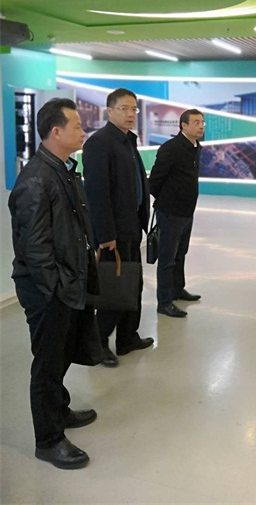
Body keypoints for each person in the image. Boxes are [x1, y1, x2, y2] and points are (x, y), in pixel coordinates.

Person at [9, 98, 99, 469]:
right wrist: (58, 288)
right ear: (56, 132)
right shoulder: (36, 180)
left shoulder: (62, 170)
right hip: (48, 290)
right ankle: (48, 440)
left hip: (66, 283)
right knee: (47, 365)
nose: (83, 131)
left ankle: (59, 410)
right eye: (77, 126)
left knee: (61, 354)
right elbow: (35, 249)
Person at [82, 88, 153, 367]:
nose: (130, 114)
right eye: (124, 108)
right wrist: (105, 234)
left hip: (131, 225)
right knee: (114, 288)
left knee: (132, 284)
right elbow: (97, 193)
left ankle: (127, 337)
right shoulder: (99, 143)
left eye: (134, 109)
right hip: (114, 232)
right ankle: (99, 343)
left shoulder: (128, 141)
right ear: (109, 111)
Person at [149, 109, 205, 318]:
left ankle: (177, 289)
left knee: (181, 253)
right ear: (183, 125)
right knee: (167, 258)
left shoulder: (196, 147)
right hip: (170, 212)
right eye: (196, 122)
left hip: (187, 211)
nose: (201, 126)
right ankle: (164, 302)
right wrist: (167, 200)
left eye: (202, 122)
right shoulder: (171, 148)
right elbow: (155, 181)